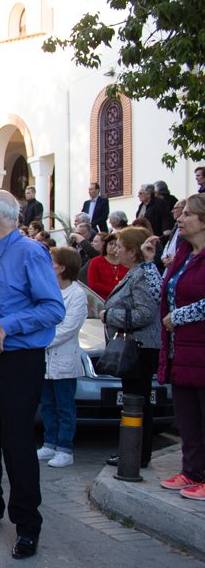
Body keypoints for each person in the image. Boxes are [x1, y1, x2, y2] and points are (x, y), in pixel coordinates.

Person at [0, 189, 65, 560]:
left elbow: (53, 308)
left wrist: (8, 324)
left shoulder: (30, 252)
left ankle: (27, 525)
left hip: (18, 360)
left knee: (17, 441)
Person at [100, 226, 162, 469]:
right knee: (134, 401)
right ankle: (134, 452)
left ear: (132, 251)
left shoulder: (141, 275)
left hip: (140, 347)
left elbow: (145, 313)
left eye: (120, 245)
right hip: (137, 346)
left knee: (138, 402)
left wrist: (110, 315)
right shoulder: (134, 273)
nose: (115, 250)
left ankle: (137, 454)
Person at [158, 194, 205, 499]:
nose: (180, 218)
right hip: (181, 349)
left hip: (200, 347)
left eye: (187, 214)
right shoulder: (183, 254)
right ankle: (192, 471)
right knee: (188, 416)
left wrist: (180, 315)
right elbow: (165, 292)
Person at [37, 248, 87, 469]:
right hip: (46, 360)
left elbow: (68, 328)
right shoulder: (48, 289)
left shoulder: (77, 294)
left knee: (64, 406)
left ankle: (65, 448)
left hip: (64, 358)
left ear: (62, 267)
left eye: (52, 262)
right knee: (47, 404)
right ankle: (49, 442)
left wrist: (41, 340)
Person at [87, 233, 129, 300]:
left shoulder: (126, 262)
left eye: (116, 245)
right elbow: (93, 285)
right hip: (102, 300)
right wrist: (115, 290)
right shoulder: (96, 261)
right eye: (111, 244)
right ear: (105, 245)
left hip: (123, 299)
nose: (113, 247)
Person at [162, 199, 186, 267]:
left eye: (175, 208)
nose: (172, 211)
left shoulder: (188, 229)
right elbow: (169, 244)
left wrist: (176, 259)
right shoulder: (175, 227)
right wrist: (164, 258)